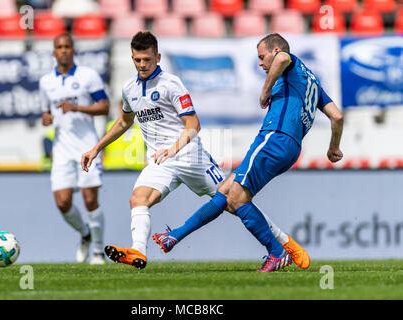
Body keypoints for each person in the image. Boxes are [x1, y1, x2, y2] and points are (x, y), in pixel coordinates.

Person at [81, 31, 301, 271]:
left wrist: (173, 148)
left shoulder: (171, 84)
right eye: (137, 60)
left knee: (234, 200)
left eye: (147, 59)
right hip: (159, 161)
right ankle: (138, 252)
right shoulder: (129, 89)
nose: (142, 65)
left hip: (189, 156)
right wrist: (95, 148)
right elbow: (124, 122)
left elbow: (193, 124)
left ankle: (284, 243)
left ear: (158, 57)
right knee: (138, 199)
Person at [153, 33, 344, 272]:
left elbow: (283, 58)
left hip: (275, 137)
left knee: (236, 199)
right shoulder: (312, 82)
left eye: (262, 57)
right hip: (290, 146)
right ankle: (175, 237)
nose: (261, 63)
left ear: (274, 52)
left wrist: (265, 91)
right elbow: (337, 116)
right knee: (224, 190)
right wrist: (334, 147)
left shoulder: (288, 61)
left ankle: (276, 252)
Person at [39, 33, 110, 264]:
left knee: (90, 200)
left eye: (67, 46)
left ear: (73, 50)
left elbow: (104, 106)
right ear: (54, 52)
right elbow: (46, 112)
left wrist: (77, 107)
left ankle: (99, 252)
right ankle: (86, 234)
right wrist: (47, 118)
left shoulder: (88, 76)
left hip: (86, 146)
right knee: (62, 202)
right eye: (59, 47)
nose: (63, 50)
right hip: (61, 148)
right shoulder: (46, 82)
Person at [102, 100, 146, 171]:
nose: (125, 111)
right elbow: (102, 151)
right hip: (111, 171)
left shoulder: (141, 129)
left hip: (136, 171)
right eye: (123, 108)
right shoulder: (110, 127)